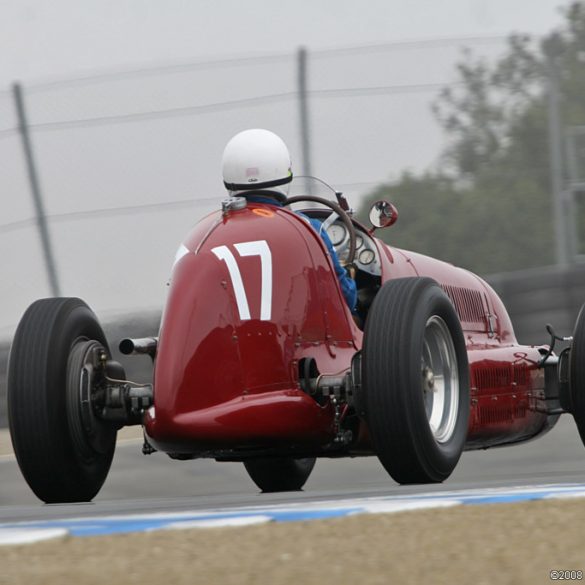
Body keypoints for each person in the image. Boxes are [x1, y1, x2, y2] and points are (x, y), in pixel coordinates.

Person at [222, 128, 357, 312]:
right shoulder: (309, 228)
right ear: (284, 173)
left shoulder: (215, 231)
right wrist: (350, 276)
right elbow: (345, 297)